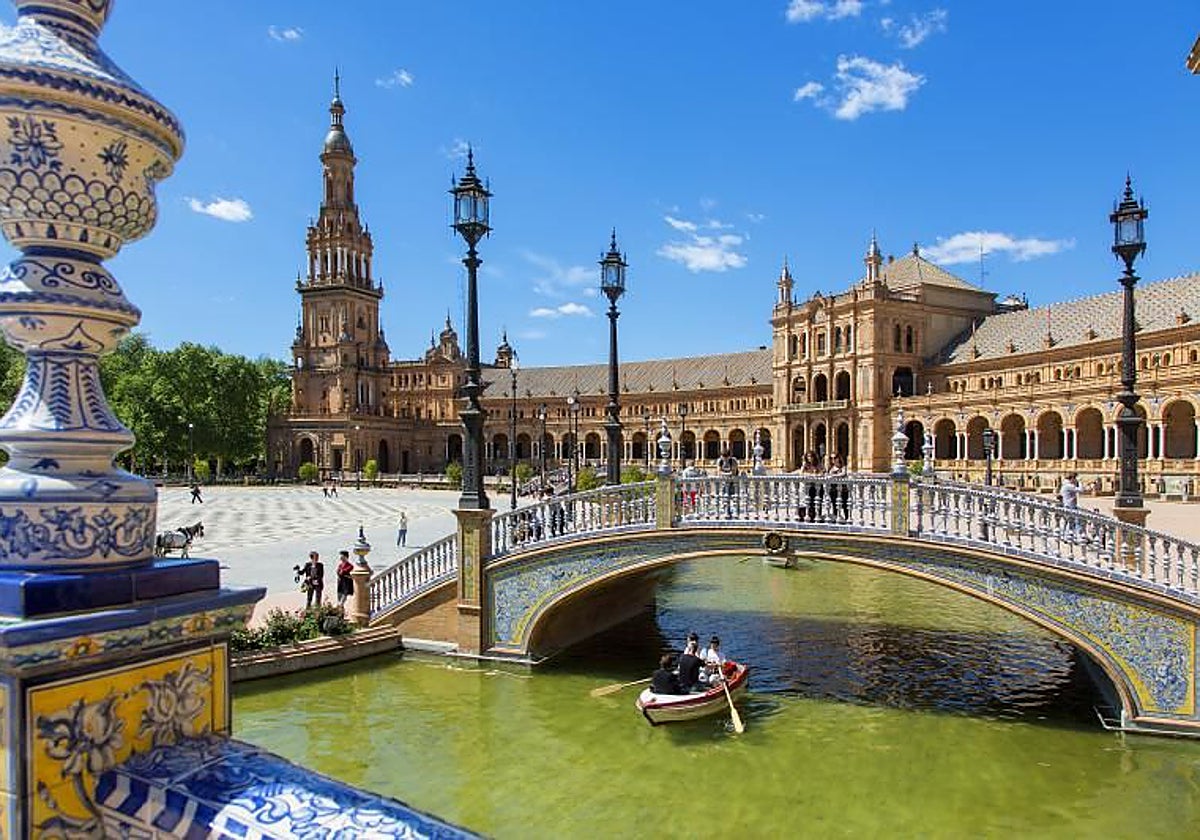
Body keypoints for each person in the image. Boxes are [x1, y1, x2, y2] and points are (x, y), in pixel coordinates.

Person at [716, 445, 739, 518]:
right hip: (724, 482)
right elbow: (718, 472)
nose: (725, 458)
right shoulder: (720, 461)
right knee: (725, 497)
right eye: (723, 456)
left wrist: (725, 474)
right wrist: (727, 474)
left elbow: (734, 472)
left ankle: (735, 512)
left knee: (734, 497)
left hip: (733, 482)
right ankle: (727, 512)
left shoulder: (733, 461)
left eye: (726, 457)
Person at [826, 453, 848, 521]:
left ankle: (847, 518)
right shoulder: (830, 468)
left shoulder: (843, 467)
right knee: (834, 505)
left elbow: (843, 473)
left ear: (838, 458)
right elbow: (827, 474)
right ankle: (836, 518)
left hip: (843, 489)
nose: (833, 460)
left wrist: (833, 475)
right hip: (833, 489)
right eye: (831, 458)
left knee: (845, 505)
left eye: (835, 458)